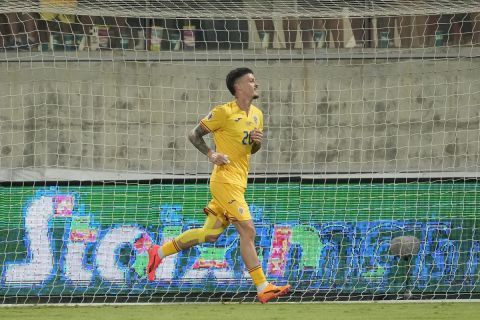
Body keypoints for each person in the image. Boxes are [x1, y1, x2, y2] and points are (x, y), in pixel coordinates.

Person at [146, 67, 291, 304]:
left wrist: (256, 144)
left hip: (239, 182)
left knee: (210, 234)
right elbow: (194, 134)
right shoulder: (223, 112)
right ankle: (263, 286)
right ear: (238, 87)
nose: (256, 84)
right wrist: (211, 154)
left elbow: (251, 150)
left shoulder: (257, 115)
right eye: (251, 81)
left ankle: (158, 252)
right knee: (248, 230)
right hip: (224, 182)